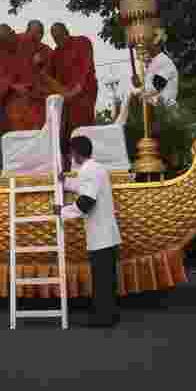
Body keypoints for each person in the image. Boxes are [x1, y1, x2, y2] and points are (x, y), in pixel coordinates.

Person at [54, 135, 123, 328]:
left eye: (70, 151)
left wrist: (62, 211)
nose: (70, 155)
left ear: (75, 152)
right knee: (107, 279)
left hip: (100, 236)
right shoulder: (97, 168)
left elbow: (86, 202)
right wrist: (65, 183)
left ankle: (103, 318)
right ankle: (109, 315)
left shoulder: (87, 171)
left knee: (102, 281)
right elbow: (84, 188)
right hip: (107, 234)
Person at [50, 22, 98, 168]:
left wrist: (77, 88)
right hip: (66, 98)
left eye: (60, 35)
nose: (58, 39)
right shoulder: (56, 53)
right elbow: (52, 78)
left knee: (82, 126)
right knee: (65, 129)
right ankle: (68, 163)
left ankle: (86, 161)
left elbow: (86, 67)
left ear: (67, 31)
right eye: (54, 37)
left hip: (83, 94)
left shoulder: (82, 42)